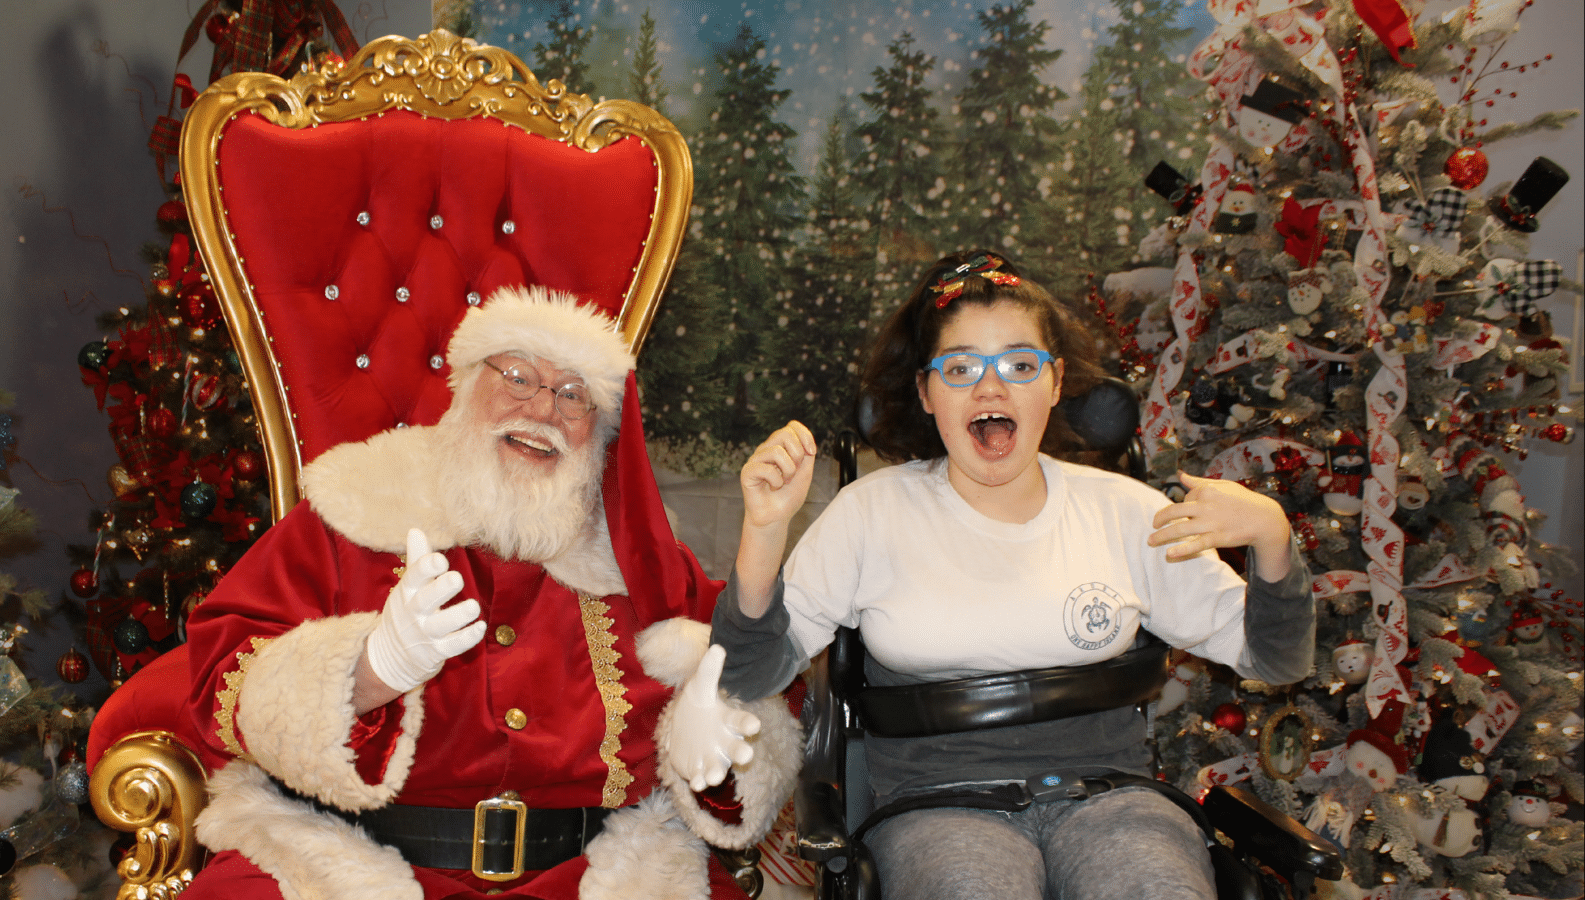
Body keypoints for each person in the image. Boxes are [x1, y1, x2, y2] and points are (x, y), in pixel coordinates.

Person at [707, 251, 1316, 900]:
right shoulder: (870, 513)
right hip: (937, 806)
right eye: (961, 367)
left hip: (1111, 799)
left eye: (1019, 365)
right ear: (925, 391)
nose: (990, 388)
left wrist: (1273, 540)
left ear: (1054, 384)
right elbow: (747, 674)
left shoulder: (1126, 512)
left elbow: (1276, 660)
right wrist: (764, 532)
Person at [178, 286, 799, 900]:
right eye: (519, 377)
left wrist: (715, 757)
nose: (543, 410)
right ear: (467, 386)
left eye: (573, 395)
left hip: (602, 873)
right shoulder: (356, 508)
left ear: (601, 435)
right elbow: (220, 678)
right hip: (337, 859)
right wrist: (369, 670)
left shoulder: (637, 555)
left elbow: (746, 672)